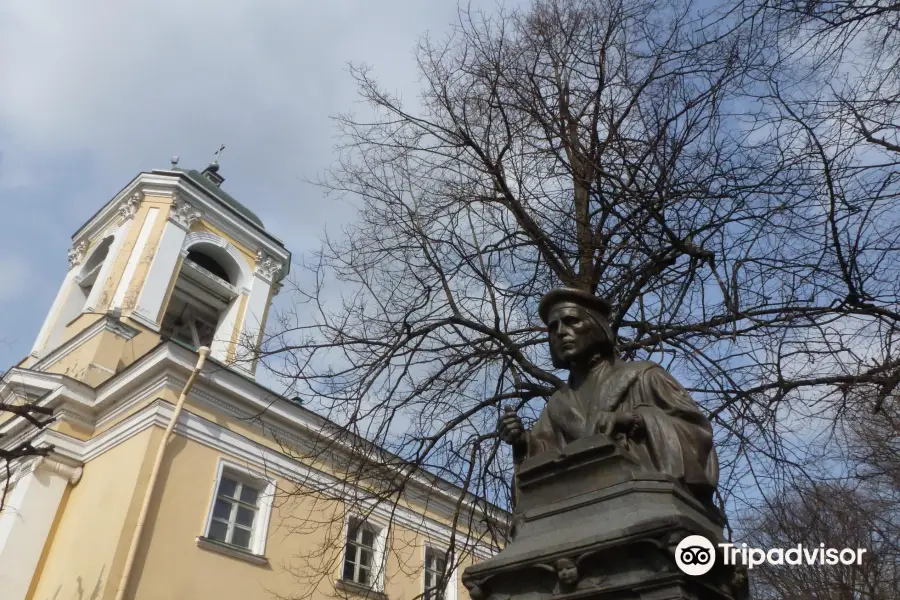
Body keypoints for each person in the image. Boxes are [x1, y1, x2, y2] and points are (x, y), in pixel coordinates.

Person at [498, 288, 719, 506]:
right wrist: (522, 443)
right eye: (553, 327)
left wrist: (634, 420)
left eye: (571, 321)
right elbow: (546, 457)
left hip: (643, 504)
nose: (561, 332)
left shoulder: (644, 376)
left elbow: (696, 435)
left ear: (597, 326)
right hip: (584, 512)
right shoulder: (557, 405)